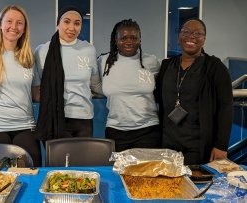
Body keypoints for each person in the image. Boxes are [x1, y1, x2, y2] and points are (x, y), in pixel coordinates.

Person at [155, 18, 233, 165]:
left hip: (197, 146)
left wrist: (221, 145)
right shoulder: (167, 65)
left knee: (193, 187)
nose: (191, 36)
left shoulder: (215, 68)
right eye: (186, 32)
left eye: (198, 33)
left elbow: (226, 107)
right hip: (167, 143)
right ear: (179, 36)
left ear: (204, 39)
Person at [0, 5, 41, 166]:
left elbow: (36, 94)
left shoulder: (29, 59)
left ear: (24, 29)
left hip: (25, 126)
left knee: (33, 172)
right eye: (9, 21)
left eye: (19, 23)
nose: (14, 26)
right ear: (0, 25)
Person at [32, 6, 102, 142]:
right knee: (58, 161)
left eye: (77, 23)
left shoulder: (88, 49)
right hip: (54, 118)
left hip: (84, 118)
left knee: (83, 161)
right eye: (67, 21)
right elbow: (36, 88)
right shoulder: (42, 51)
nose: (72, 27)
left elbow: (95, 85)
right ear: (58, 23)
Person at [98, 19, 161, 152]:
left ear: (140, 40)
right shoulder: (104, 62)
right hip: (116, 130)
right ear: (116, 40)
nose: (129, 41)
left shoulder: (151, 61)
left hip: (148, 129)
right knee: (120, 172)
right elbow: (94, 84)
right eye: (124, 37)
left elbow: (163, 86)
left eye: (134, 37)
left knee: (146, 172)